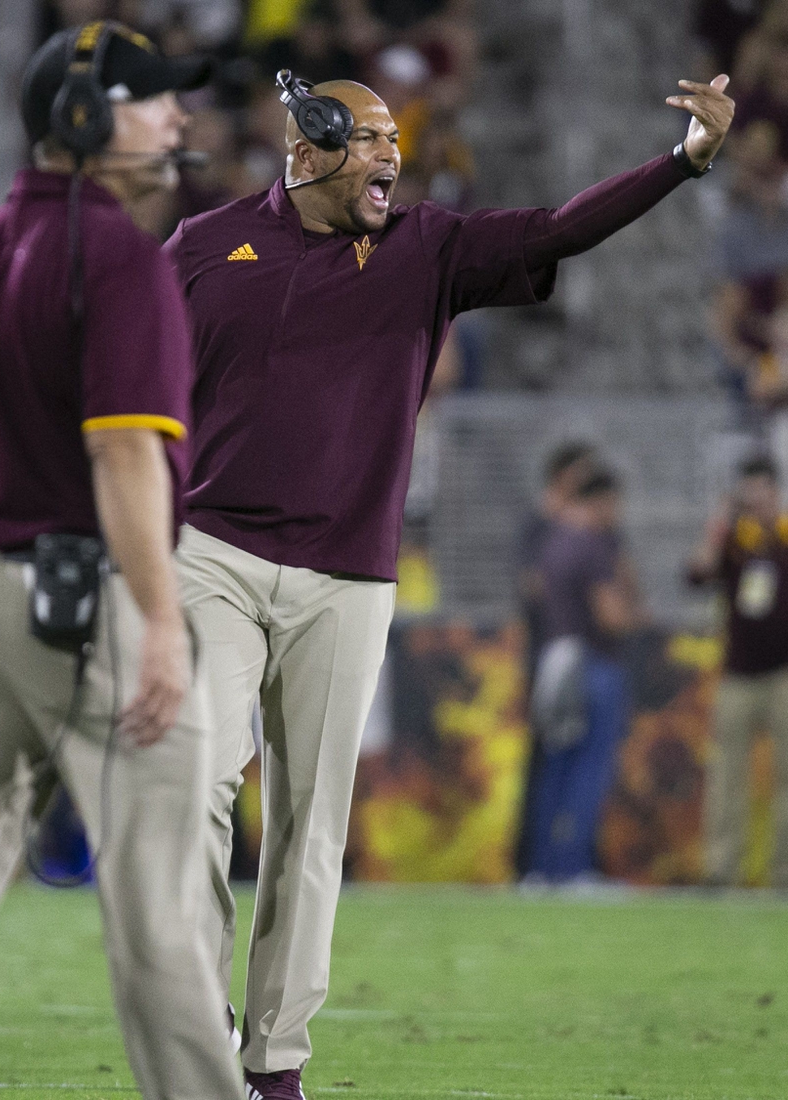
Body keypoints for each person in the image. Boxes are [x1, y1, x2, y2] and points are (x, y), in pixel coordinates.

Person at [163, 67, 734, 1098]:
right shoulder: (203, 249)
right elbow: (137, 388)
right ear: (307, 154)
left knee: (310, 823)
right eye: (370, 140)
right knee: (193, 785)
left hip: (346, 573)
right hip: (213, 551)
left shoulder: (423, 248)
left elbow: (561, 228)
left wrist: (684, 161)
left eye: (395, 139)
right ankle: (199, 1043)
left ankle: (275, 1062)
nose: (394, 156)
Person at [0, 23, 244, 1100]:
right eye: (154, 99)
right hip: (81, 608)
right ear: (83, 118)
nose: (178, 118)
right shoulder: (116, 252)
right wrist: (163, 620)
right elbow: (123, 452)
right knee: (159, 910)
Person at [522, 468, 644, 882]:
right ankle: (574, 869)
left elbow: (535, 591)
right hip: (592, 665)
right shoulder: (594, 545)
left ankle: (540, 868)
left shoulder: (553, 542)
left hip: (554, 660)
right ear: (603, 500)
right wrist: (636, 616)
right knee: (587, 771)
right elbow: (611, 616)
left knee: (554, 771)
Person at [687, 454, 788, 887]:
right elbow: (698, 574)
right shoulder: (733, 540)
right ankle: (720, 869)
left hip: (784, 673)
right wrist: (718, 526)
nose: (758, 501)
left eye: (765, 491)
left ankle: (783, 872)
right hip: (738, 673)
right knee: (727, 775)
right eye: (751, 492)